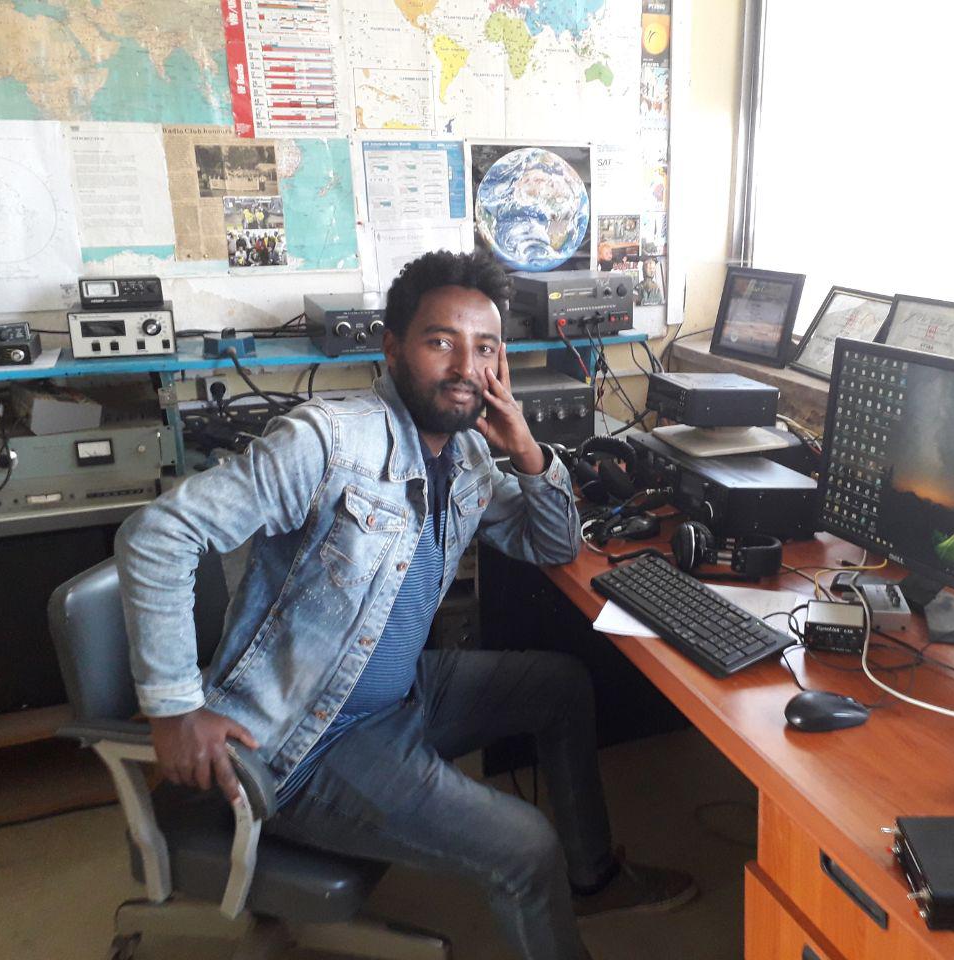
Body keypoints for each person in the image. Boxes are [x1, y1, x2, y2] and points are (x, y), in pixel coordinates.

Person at [114, 250, 695, 960]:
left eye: (485, 348)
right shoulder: (327, 442)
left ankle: (592, 878)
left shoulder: (467, 455)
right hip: (307, 738)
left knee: (560, 685)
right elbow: (157, 534)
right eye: (440, 341)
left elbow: (551, 545)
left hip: (397, 695)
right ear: (392, 349)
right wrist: (174, 708)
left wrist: (530, 454)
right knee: (524, 846)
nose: (465, 367)